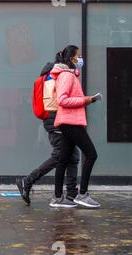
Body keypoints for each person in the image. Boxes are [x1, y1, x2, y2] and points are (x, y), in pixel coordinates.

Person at [16, 62, 80, 206]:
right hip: (57, 121)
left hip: (56, 121)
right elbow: (59, 100)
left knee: (73, 156)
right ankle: (27, 181)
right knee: (59, 156)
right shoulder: (53, 78)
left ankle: (71, 194)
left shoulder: (48, 77)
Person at [49, 45, 100, 208]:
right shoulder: (67, 76)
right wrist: (86, 100)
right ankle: (82, 194)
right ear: (72, 59)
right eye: (79, 56)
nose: (81, 59)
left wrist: (86, 100)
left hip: (69, 122)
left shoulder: (70, 76)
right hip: (71, 122)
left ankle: (57, 198)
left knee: (63, 159)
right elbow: (62, 100)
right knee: (91, 154)